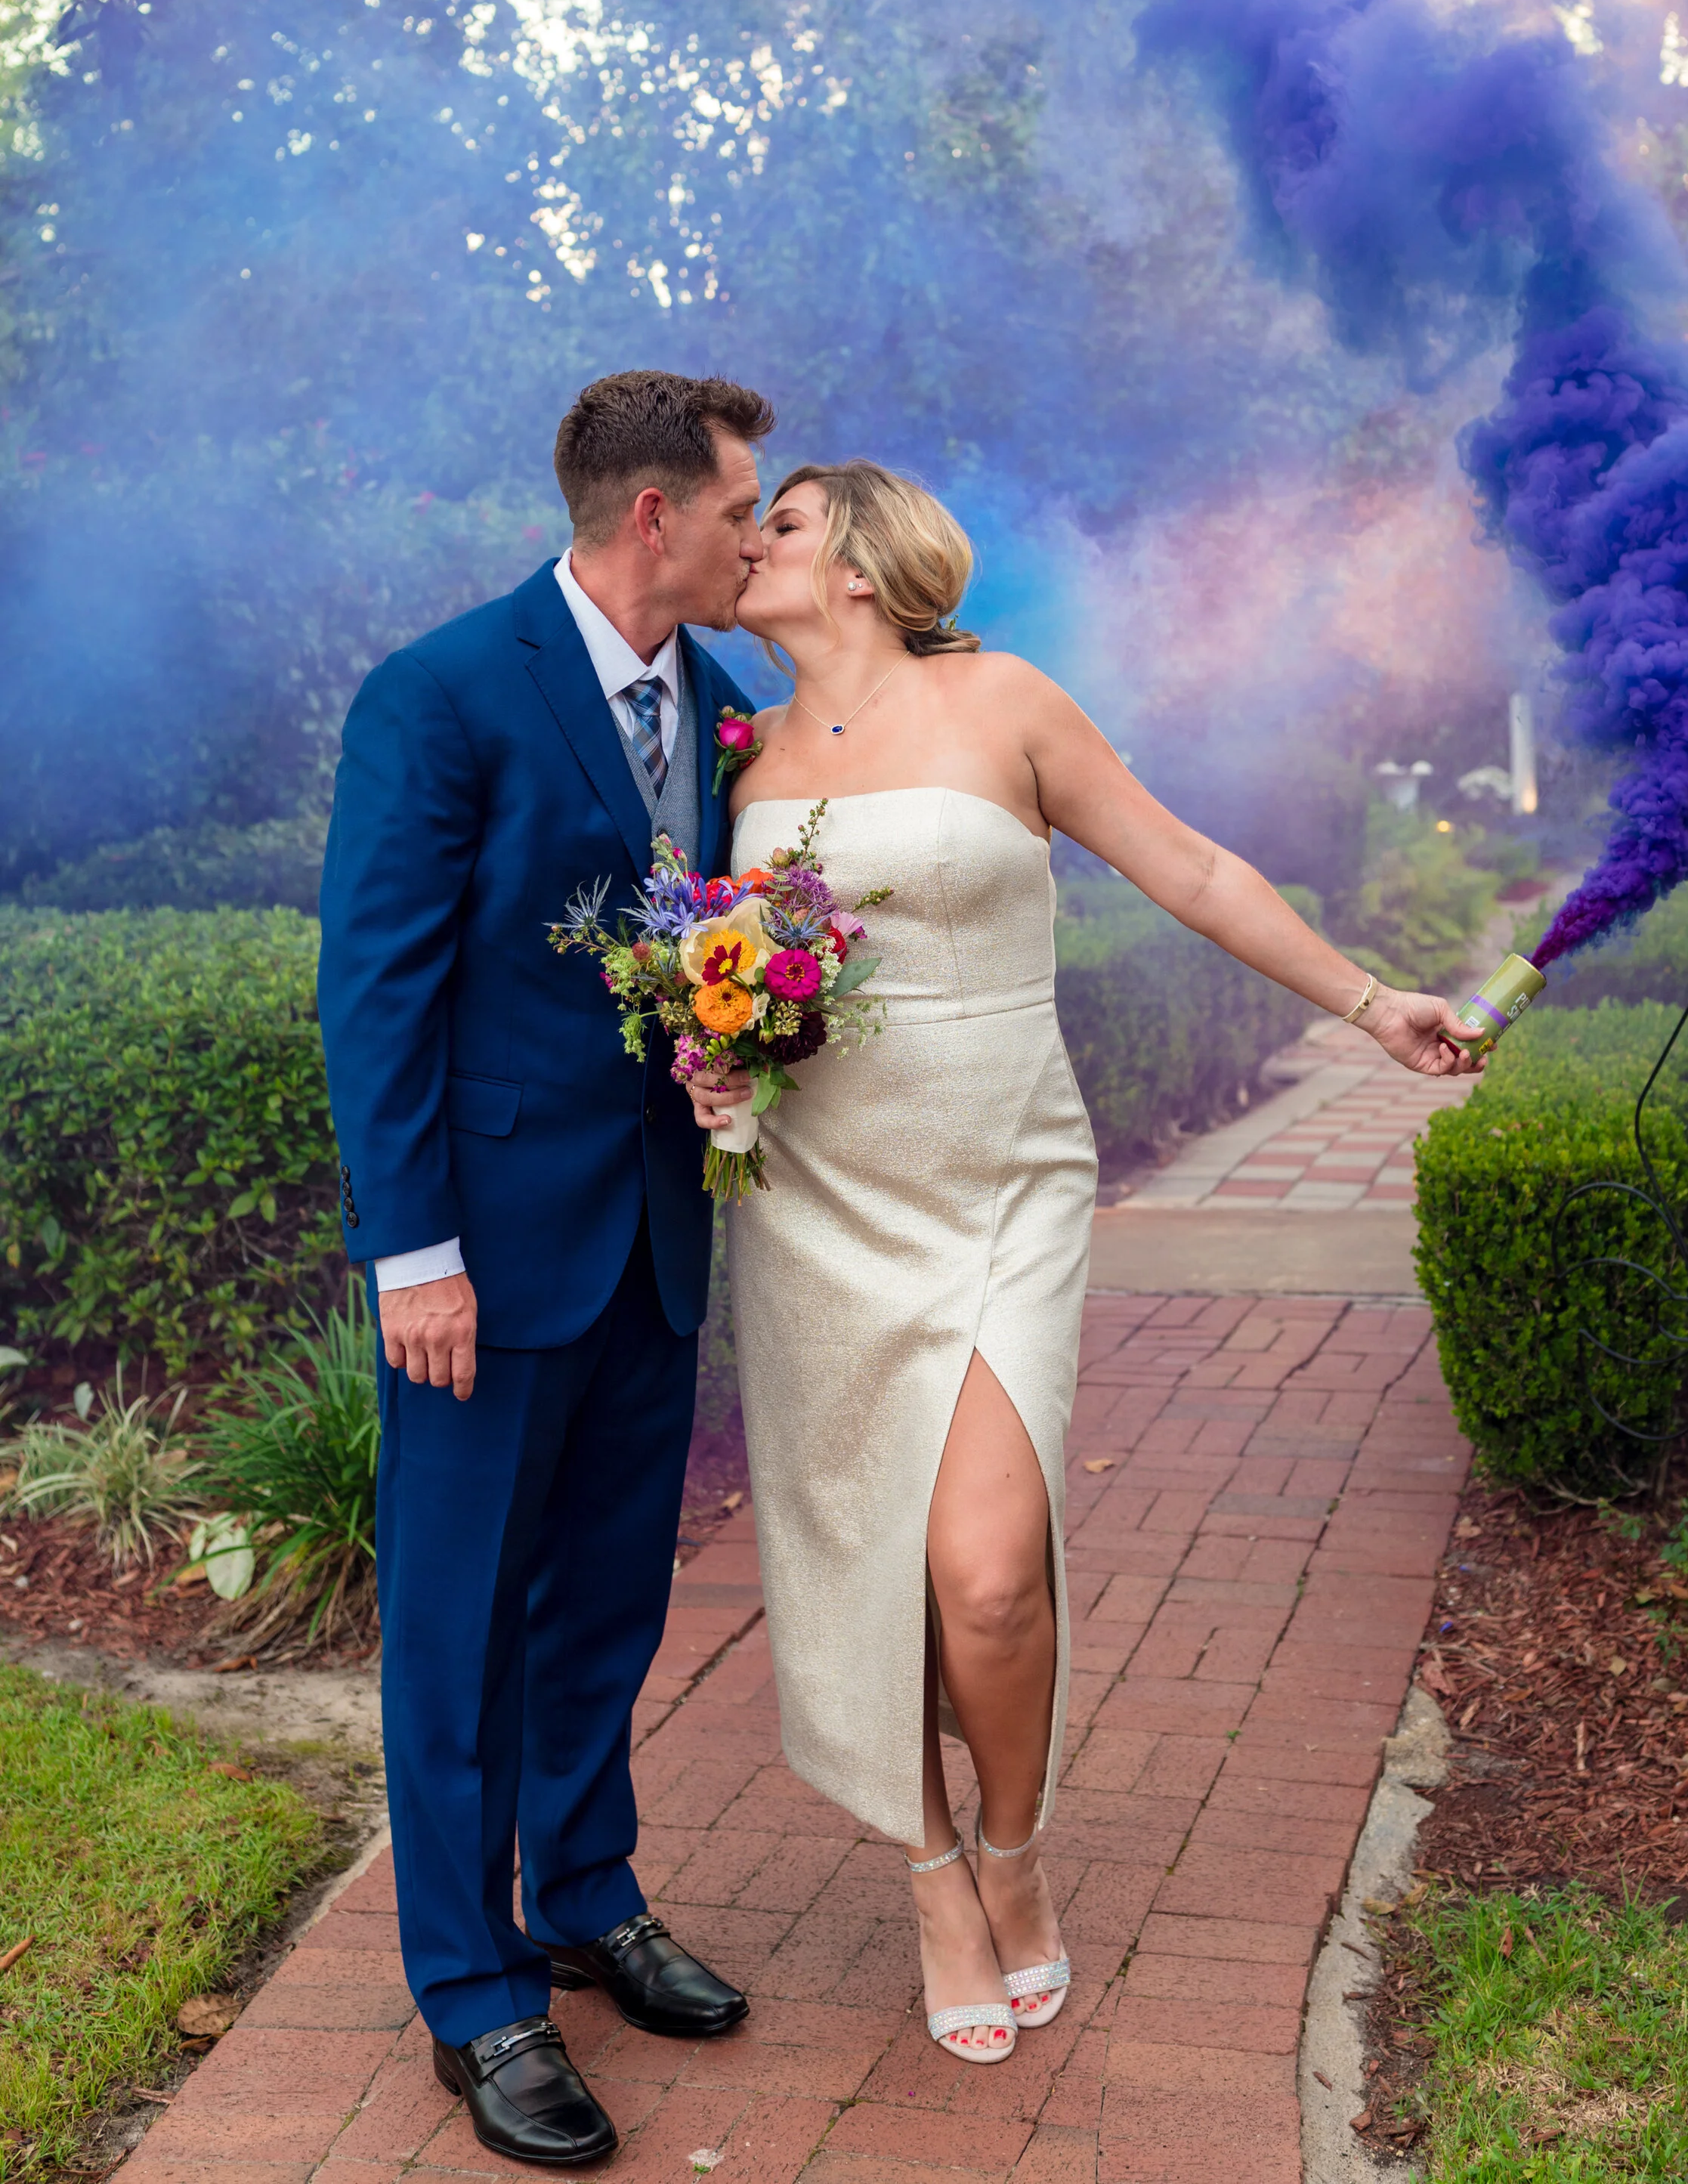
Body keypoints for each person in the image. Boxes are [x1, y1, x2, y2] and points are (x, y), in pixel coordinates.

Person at [690, 459, 1478, 2066]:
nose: (743, 540)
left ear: (851, 556)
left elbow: (1184, 867)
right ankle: (926, 1877)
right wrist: (712, 1064)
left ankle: (1012, 1850)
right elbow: (722, 977)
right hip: (813, 1197)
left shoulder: (1005, 701)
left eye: (772, 517)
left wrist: (1366, 1000)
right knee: (861, 1561)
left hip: (999, 1189)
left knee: (985, 1572)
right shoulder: (740, 753)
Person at [318, 370, 774, 2170]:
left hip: (654, 1241)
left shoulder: (724, 706)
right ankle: (476, 1990)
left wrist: (731, 1056)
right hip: (482, 1268)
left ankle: (588, 1894)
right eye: (745, 506)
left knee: (603, 1603)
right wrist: (410, 1253)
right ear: (653, 514)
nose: (760, 535)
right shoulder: (437, 695)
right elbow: (377, 990)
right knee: (453, 1627)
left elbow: (700, 958)